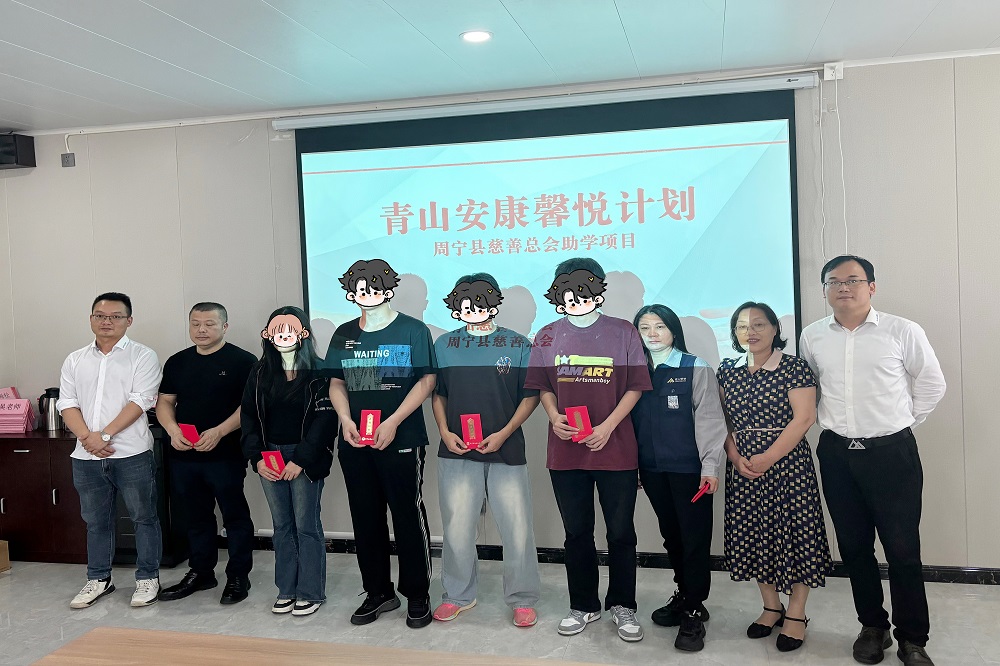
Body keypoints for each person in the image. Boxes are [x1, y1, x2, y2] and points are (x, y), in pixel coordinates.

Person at [800, 255, 945, 666]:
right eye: (834, 282)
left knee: (902, 549)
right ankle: (872, 626)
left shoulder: (902, 330)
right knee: (854, 547)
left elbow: (932, 383)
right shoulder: (812, 335)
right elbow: (811, 389)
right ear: (825, 290)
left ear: (872, 287)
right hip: (837, 453)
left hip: (891, 454)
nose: (843, 288)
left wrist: (900, 424)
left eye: (853, 280)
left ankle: (912, 638)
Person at [524, 257, 652, 642]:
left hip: (616, 449)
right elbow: (543, 387)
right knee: (577, 532)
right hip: (566, 452)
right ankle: (583, 605)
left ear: (597, 289)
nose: (575, 297)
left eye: (583, 288)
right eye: (566, 289)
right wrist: (553, 416)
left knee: (621, 532)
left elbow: (636, 386)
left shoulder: (623, 331)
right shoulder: (547, 335)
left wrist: (608, 426)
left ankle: (623, 605)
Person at [324, 260, 437, 629]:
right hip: (355, 440)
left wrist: (393, 421)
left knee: (407, 516)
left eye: (374, 287)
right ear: (350, 293)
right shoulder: (343, 333)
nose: (366, 294)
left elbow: (426, 381)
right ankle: (378, 592)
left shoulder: (413, 329)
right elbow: (337, 382)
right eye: (359, 288)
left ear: (388, 289)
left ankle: (417, 595)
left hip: (401, 438)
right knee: (365, 517)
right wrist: (345, 419)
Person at [716, 301, 832, 652]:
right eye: (742, 326)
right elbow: (721, 420)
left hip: (787, 465)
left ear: (775, 329)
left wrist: (767, 458)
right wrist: (734, 456)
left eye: (759, 324)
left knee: (796, 534)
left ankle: (796, 613)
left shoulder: (793, 367)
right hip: (743, 467)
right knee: (754, 535)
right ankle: (771, 607)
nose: (750, 332)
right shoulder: (727, 370)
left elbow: (804, 418)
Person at [431, 274, 541, 628]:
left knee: (517, 528)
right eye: (465, 304)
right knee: (457, 528)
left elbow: (531, 396)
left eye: (480, 302)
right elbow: (439, 394)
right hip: (457, 450)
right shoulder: (445, 344)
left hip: (506, 450)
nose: (473, 309)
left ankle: (522, 598)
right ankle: (457, 595)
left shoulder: (518, 343)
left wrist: (505, 433)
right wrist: (445, 432)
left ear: (494, 302)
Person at [57, 292, 163, 609]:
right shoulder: (75, 359)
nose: (107, 321)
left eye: (115, 316)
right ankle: (99, 579)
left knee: (144, 517)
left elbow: (141, 401)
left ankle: (148, 578)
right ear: (91, 319)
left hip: (131, 454)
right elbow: (67, 403)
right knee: (96, 522)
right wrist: (88, 438)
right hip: (86, 456)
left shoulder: (143, 356)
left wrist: (103, 435)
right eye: (100, 316)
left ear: (129, 321)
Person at [630, 305, 727, 652]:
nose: (652, 333)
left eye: (660, 326)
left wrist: (710, 467)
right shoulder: (634, 371)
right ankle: (685, 594)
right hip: (652, 469)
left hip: (690, 470)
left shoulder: (695, 367)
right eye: (644, 327)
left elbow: (710, 420)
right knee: (671, 536)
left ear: (673, 330)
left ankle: (694, 610)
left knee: (694, 539)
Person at [156, 303, 257, 605]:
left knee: (234, 516)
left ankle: (238, 575)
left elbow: (249, 407)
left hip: (226, 453)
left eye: (209, 324)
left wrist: (219, 432)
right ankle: (201, 572)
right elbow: (165, 402)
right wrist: (172, 431)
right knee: (195, 517)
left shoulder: (243, 361)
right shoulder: (177, 362)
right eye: (195, 323)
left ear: (224, 327)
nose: (201, 329)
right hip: (184, 454)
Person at [241, 307, 338, 616]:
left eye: (290, 330)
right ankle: (286, 589)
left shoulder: (319, 371)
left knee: (306, 525)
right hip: (268, 456)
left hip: (304, 457)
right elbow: (248, 417)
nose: (283, 336)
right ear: (268, 335)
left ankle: (310, 592)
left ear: (303, 334)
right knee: (282, 526)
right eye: (277, 330)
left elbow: (326, 421)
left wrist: (301, 460)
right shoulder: (259, 372)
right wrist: (256, 458)